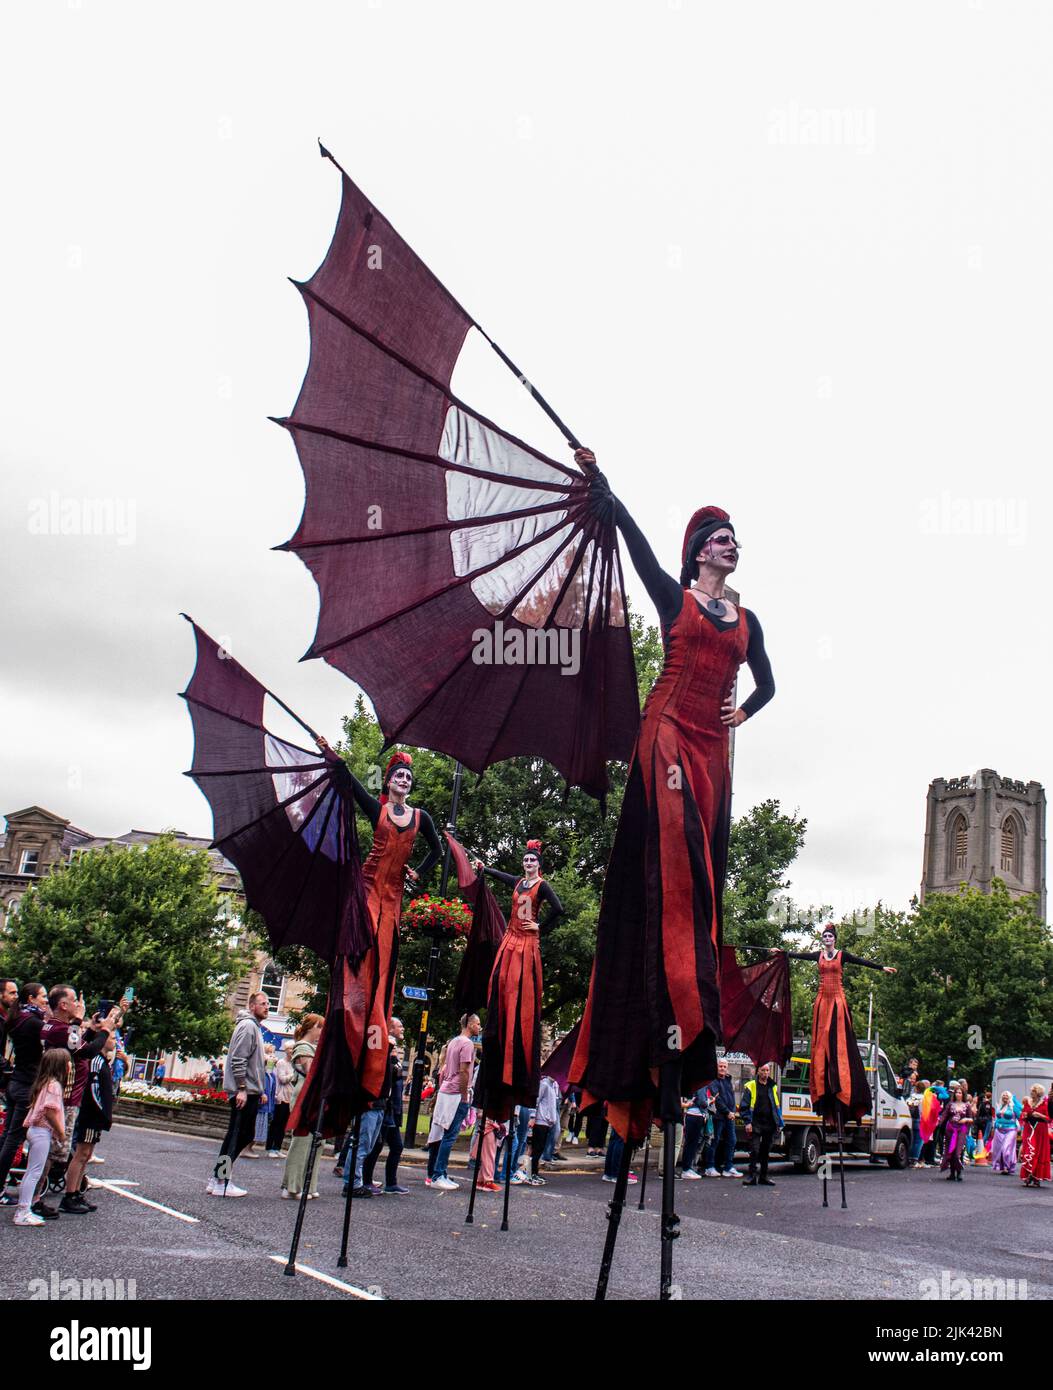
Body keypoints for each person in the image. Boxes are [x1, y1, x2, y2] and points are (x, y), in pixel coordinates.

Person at [569, 469, 776, 1146]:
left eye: (734, 540)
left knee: (703, 871)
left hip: (712, 748)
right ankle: (671, 999)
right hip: (665, 734)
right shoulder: (674, 597)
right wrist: (605, 490)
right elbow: (637, 550)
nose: (730, 546)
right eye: (720, 539)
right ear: (698, 552)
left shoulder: (746, 622)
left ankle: (685, 1008)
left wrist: (739, 711)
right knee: (674, 850)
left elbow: (769, 685)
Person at [316, 741, 442, 1105]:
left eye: (407, 777)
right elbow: (351, 783)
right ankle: (352, 996)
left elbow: (436, 849)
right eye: (398, 776)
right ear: (388, 783)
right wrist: (331, 754)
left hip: (394, 896)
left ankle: (371, 1019)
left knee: (385, 959)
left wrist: (419, 873)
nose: (403, 780)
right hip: (370, 887)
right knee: (364, 943)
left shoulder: (421, 818)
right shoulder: (380, 810)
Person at [779, 926, 896, 1127]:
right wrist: (781, 953)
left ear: (834, 939)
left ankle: (839, 1074)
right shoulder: (819, 955)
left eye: (830, 936)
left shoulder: (842, 955)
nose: (827, 938)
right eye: (824, 936)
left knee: (838, 1038)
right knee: (822, 1038)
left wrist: (881, 967)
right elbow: (798, 955)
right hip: (823, 999)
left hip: (837, 1000)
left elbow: (862, 962)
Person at [41, 987, 119, 1209]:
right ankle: (39, 1199)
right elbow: (85, 1051)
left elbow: (78, 1046)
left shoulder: (60, 1028)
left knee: (58, 1151)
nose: (79, 1004)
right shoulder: (59, 1028)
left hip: (64, 1095)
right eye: (75, 1000)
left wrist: (94, 1030)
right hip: (63, 1096)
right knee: (52, 1153)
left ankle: (65, 1194)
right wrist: (104, 1031)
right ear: (64, 1005)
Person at [206, 991, 268, 1197]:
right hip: (244, 1092)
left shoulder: (253, 1027)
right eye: (262, 1003)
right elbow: (238, 1059)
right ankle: (222, 1180)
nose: (267, 1006)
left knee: (241, 1135)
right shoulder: (248, 1026)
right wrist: (241, 1088)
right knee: (237, 1136)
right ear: (252, 1006)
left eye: (268, 1003)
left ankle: (218, 1177)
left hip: (249, 1091)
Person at [0, 981, 48, 1207]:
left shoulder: (18, 1019)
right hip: (27, 1083)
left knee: (7, 1137)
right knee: (13, 1139)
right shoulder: (34, 1023)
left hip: (15, 1082)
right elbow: (59, 1038)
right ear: (32, 999)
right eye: (43, 996)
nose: (46, 1001)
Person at [12, 1050, 70, 1227]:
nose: (70, 1066)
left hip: (36, 1130)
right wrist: (61, 1133)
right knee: (34, 1173)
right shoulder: (54, 1086)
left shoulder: (45, 1082)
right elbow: (50, 1111)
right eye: (68, 1063)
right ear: (60, 1066)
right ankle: (23, 1211)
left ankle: (24, 1209)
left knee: (32, 1172)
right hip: (41, 1131)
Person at [62, 1034, 116, 1213]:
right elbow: (93, 1090)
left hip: (96, 1115)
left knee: (86, 1154)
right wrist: (102, 1113)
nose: (115, 1042)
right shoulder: (96, 1061)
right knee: (81, 1153)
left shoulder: (102, 1060)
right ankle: (69, 1195)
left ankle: (76, 1192)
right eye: (112, 1038)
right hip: (91, 1113)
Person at [426, 1014, 480, 1191]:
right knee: (450, 1135)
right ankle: (438, 1174)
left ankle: (439, 1173)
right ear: (470, 1024)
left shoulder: (453, 1041)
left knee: (442, 1133)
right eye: (478, 1024)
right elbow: (464, 1071)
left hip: (446, 1089)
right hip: (456, 1091)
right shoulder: (467, 1044)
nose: (479, 1027)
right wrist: (465, 1095)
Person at [362, 1018, 408, 1195]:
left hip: (393, 1107)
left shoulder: (393, 1052)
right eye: (399, 1026)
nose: (402, 1028)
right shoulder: (384, 1050)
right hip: (385, 1106)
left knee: (395, 1146)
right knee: (376, 1145)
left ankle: (391, 1182)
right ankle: (366, 1181)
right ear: (389, 1028)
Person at [281, 1013, 324, 1200]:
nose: (322, 1031)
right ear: (312, 1027)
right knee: (302, 1139)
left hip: (314, 1094)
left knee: (317, 1141)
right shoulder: (303, 1046)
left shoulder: (313, 1048)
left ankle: (308, 1185)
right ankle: (292, 1186)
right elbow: (311, 1071)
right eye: (320, 1027)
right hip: (305, 1094)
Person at [739, 1062, 783, 1186]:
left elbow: (776, 1105)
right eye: (763, 1070)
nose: (765, 1073)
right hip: (755, 1123)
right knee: (755, 1150)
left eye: (767, 1071)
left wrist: (779, 1122)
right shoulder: (751, 1085)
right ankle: (752, 1176)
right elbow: (744, 1106)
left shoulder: (772, 1086)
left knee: (766, 1151)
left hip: (769, 1124)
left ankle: (764, 1176)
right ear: (757, 1071)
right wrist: (747, 1122)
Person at [709, 1058, 741, 1177]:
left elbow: (731, 1097)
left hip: (729, 1116)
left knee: (732, 1141)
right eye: (720, 1066)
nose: (722, 1068)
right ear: (716, 1067)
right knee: (714, 1141)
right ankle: (710, 1166)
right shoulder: (713, 1081)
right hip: (718, 1116)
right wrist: (727, 1111)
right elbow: (717, 1099)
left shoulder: (728, 1080)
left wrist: (732, 1112)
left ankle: (729, 1167)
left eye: (724, 1066)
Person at [267, 1042, 296, 1157]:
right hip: (281, 1096)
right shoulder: (281, 1063)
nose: (291, 1051)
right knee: (276, 1123)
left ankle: (277, 1147)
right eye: (289, 1049)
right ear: (285, 1050)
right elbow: (282, 1079)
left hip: (290, 1097)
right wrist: (293, 1075)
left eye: (293, 1049)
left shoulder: (293, 1064)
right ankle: (270, 1147)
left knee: (284, 1124)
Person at [939, 1082, 973, 1182]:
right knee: (950, 1151)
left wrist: (965, 1119)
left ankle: (959, 1172)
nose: (958, 1094)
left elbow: (971, 1119)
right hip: (950, 1129)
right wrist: (938, 1122)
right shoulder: (950, 1104)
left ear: (963, 1094)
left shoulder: (967, 1105)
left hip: (961, 1129)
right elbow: (944, 1115)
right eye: (957, 1092)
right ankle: (952, 1173)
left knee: (958, 1151)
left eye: (960, 1093)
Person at [1019, 1084, 1051, 1189]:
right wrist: (1024, 1115)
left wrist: (1039, 1115)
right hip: (1029, 1129)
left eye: (1033, 1091)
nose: (1031, 1093)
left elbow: (1049, 1119)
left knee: (1038, 1152)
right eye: (1031, 1091)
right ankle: (1029, 1175)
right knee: (1028, 1151)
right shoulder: (1028, 1102)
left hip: (1040, 1130)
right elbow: (1022, 1115)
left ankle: (1036, 1177)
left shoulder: (1045, 1104)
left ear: (1038, 1093)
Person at [989, 1091, 1021, 1175]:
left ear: (1010, 1097)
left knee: (1006, 1149)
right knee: (999, 1149)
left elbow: (1020, 1116)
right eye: (1003, 1095)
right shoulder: (999, 1106)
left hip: (1010, 1130)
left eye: (1007, 1095)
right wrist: (994, 1128)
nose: (1005, 1096)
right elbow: (996, 1119)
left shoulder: (1013, 1106)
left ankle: (1008, 1166)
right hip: (999, 1130)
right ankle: (1003, 1167)